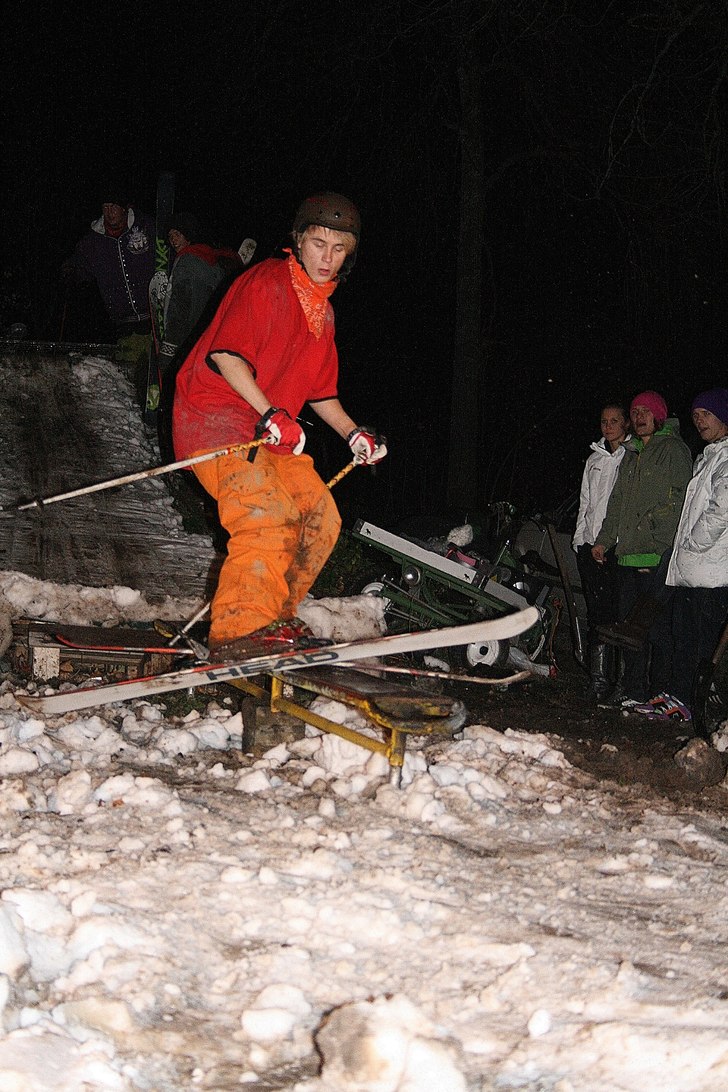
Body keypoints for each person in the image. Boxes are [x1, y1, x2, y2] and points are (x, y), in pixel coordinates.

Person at [172, 192, 387, 657]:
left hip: (270, 434)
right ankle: (238, 632)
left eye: (339, 248)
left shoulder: (322, 311)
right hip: (215, 418)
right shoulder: (268, 282)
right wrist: (270, 414)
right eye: (318, 243)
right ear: (298, 240)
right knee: (267, 516)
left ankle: (274, 619)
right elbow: (226, 357)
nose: (327, 258)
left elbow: (321, 392)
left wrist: (354, 434)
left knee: (320, 517)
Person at [631, 388, 728, 722]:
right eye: (696, 416)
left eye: (706, 415)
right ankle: (677, 695)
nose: (699, 421)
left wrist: (693, 544)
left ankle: (692, 701)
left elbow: (721, 510)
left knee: (701, 641)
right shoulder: (707, 457)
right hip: (691, 569)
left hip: (711, 572)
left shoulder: (725, 459)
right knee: (683, 636)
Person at [592, 390, 692, 708]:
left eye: (646, 411)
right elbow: (618, 502)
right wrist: (605, 540)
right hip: (627, 555)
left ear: (658, 415)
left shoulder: (673, 449)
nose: (639, 417)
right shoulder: (632, 453)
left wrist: (653, 531)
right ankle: (633, 690)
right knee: (628, 629)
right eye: (635, 412)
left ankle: (659, 692)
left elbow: (680, 499)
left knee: (656, 628)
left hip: (657, 555)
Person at [572, 403, 630, 698]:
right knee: (597, 614)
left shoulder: (631, 457)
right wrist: (580, 540)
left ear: (625, 424)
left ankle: (622, 683)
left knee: (620, 615)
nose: (608, 426)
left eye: (614, 421)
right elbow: (586, 501)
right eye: (604, 421)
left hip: (616, 547)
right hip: (589, 545)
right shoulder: (594, 458)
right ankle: (598, 680)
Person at [62, 190, 155, 368]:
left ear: (124, 208)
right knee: (131, 370)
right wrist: (71, 271)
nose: (109, 212)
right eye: (105, 207)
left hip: (153, 319)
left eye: (113, 207)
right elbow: (81, 269)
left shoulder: (146, 227)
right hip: (123, 324)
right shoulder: (93, 241)